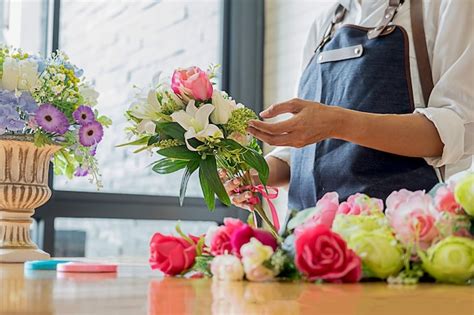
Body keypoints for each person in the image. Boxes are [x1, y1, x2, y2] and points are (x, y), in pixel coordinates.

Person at [223, 0, 473, 213]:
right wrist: (260, 172)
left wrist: (337, 123)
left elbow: (458, 132)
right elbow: (308, 149)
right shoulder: (324, 24)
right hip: (307, 242)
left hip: (399, 239)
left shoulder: (445, 6)